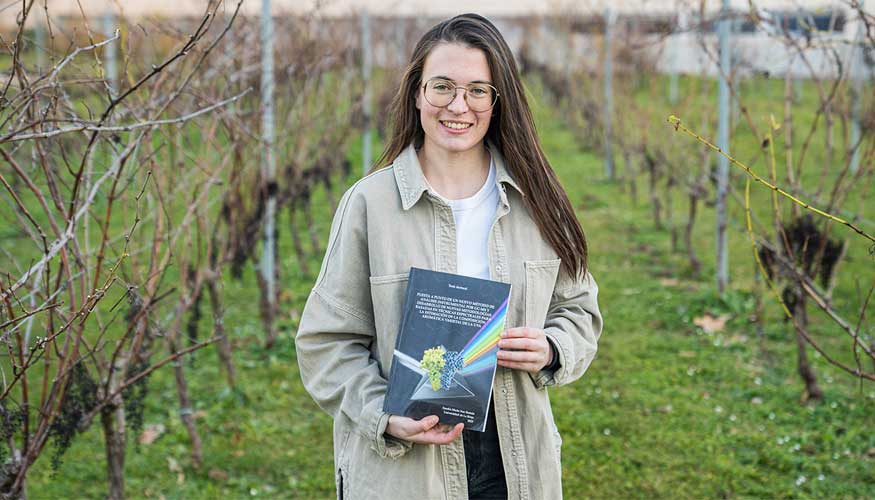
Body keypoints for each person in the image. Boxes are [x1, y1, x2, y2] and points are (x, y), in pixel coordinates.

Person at [295, 13, 603, 500]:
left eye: (478, 90)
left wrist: (552, 347)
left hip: (515, 460)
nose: (459, 106)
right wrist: (385, 416)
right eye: (442, 86)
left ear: (498, 102)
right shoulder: (370, 205)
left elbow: (579, 310)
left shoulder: (537, 201)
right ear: (417, 93)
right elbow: (325, 343)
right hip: (408, 471)